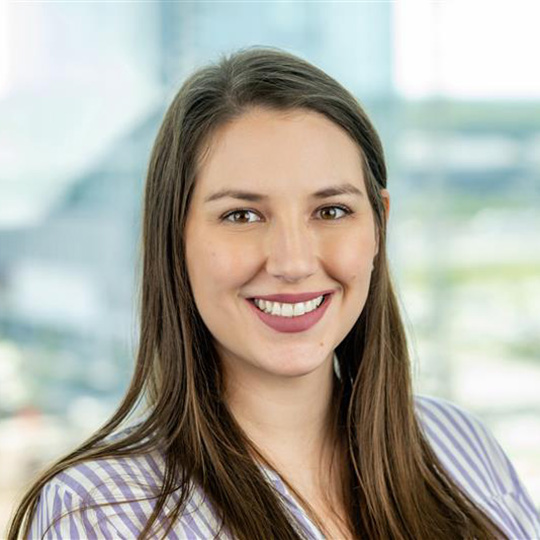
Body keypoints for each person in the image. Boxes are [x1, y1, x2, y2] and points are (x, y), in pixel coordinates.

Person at [8, 46, 540, 540]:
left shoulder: (458, 445)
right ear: (175, 239)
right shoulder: (101, 515)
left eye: (331, 211)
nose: (292, 262)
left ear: (379, 226)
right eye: (242, 215)